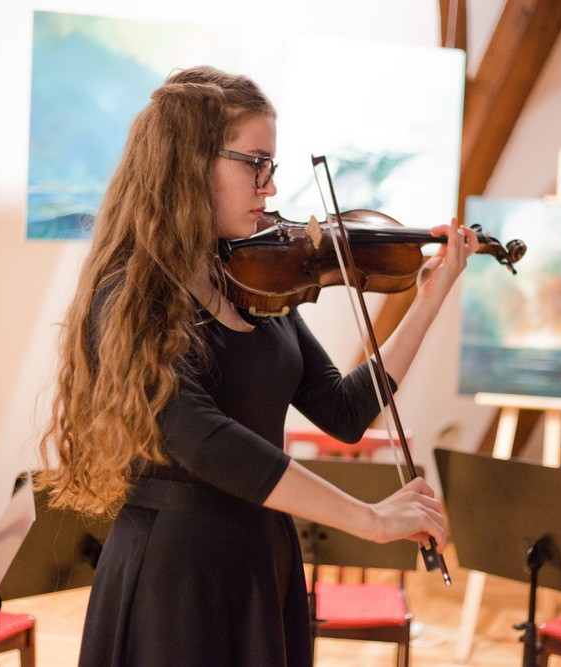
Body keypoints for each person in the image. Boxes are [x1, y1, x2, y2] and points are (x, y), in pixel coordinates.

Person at [37, 65, 478, 666]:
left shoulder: (251, 283)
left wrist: (427, 301)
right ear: (191, 163)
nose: (269, 188)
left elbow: (345, 411)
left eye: (272, 167)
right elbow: (207, 441)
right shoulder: (131, 294)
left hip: (263, 557)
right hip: (176, 574)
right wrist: (369, 519)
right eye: (256, 164)